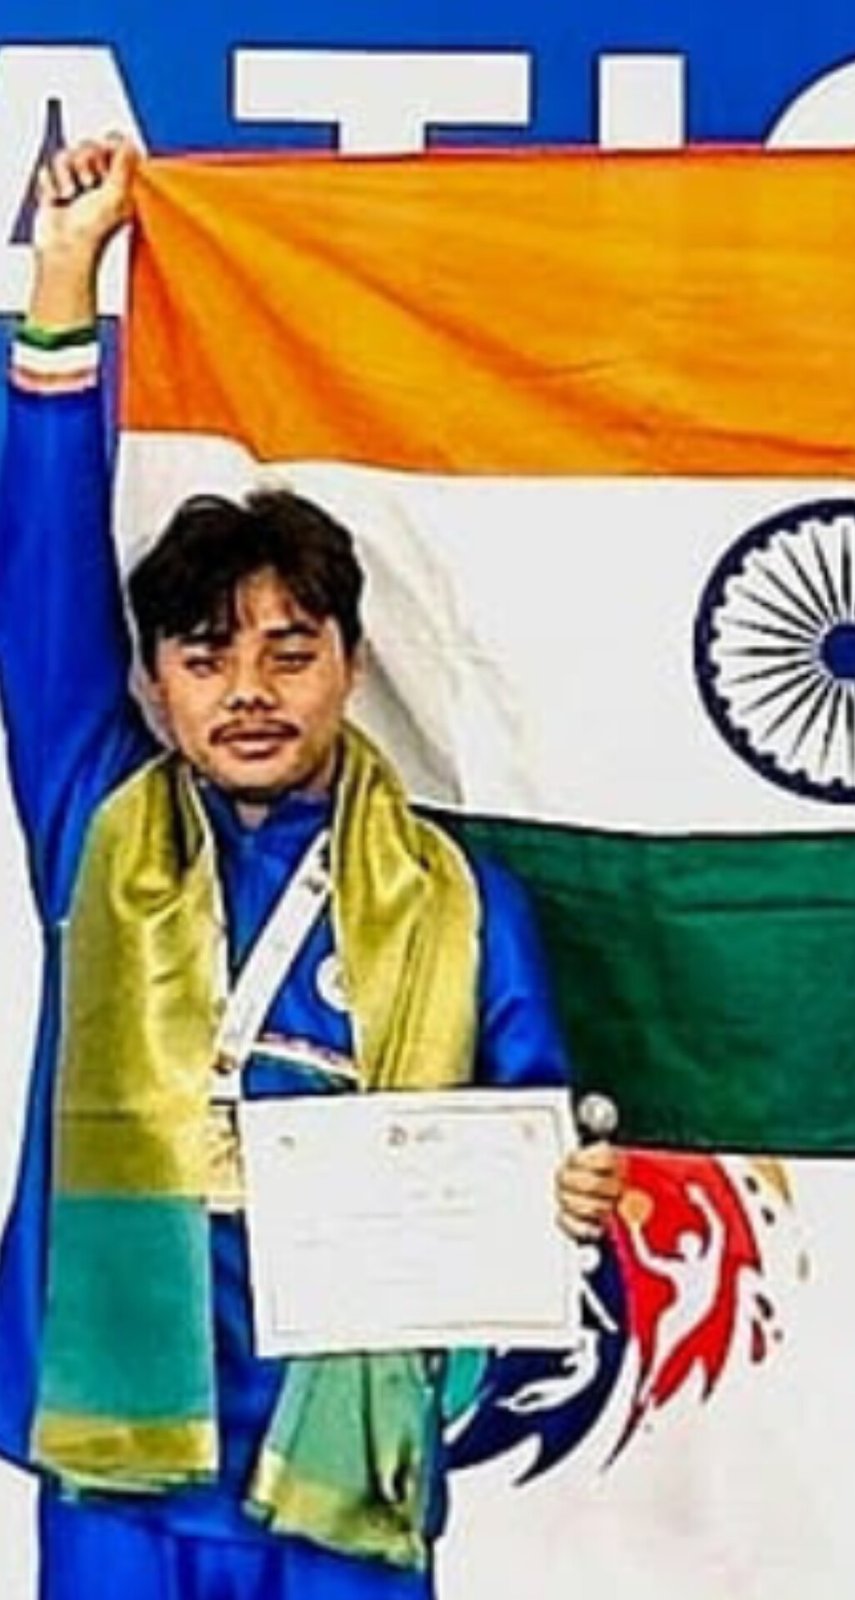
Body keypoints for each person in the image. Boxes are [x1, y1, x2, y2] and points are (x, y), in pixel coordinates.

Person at [0, 137, 624, 1599]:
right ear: (154, 682)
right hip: (125, 1455)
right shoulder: (98, 820)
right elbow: (41, 571)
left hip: (343, 1451)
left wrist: (566, 1194)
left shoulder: (457, 899)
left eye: (291, 651)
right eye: (206, 656)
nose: (250, 691)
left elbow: (533, 1130)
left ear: (351, 661)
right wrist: (66, 276)